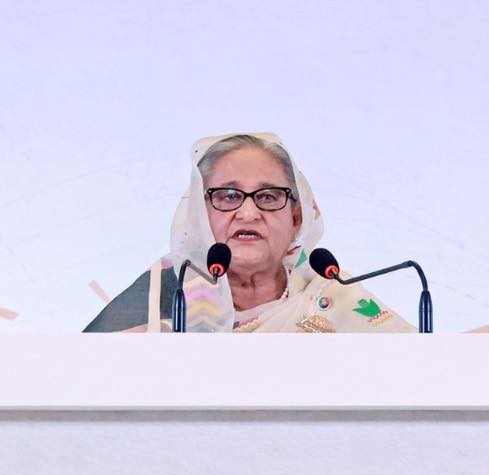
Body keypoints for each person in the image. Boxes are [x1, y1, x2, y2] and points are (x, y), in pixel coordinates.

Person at [84, 133, 414, 333]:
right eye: (228, 196)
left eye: (268, 197)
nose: (248, 212)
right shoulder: (165, 294)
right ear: (199, 216)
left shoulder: (334, 295)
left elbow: (420, 376)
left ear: (297, 218)